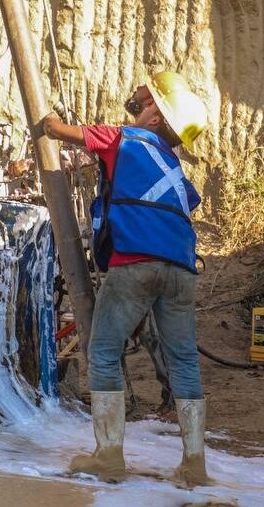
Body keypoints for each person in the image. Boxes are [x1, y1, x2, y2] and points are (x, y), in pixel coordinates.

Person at [43, 71, 209, 486]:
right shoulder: (175, 170)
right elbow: (186, 204)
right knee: (184, 361)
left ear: (156, 119)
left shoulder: (125, 139)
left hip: (134, 265)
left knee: (102, 351)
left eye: (147, 103)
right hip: (182, 272)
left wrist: (46, 121)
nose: (138, 105)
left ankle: (110, 458)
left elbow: (58, 130)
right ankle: (193, 465)